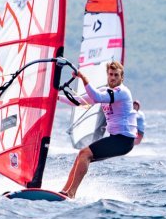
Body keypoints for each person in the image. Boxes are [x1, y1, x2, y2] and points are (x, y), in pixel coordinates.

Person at [58, 61, 140, 198]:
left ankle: (71, 193)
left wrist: (83, 78)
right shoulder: (105, 91)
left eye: (116, 75)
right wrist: (55, 97)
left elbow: (97, 97)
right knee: (81, 155)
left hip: (124, 140)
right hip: (116, 138)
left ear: (122, 77)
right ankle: (64, 191)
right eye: (110, 75)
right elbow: (79, 101)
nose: (112, 78)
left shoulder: (122, 92)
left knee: (85, 154)